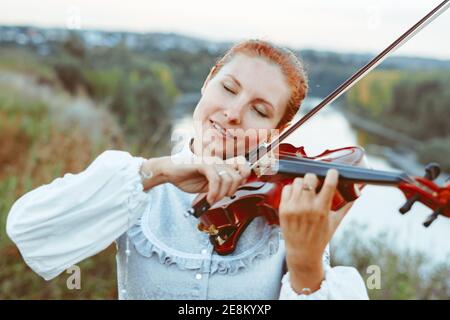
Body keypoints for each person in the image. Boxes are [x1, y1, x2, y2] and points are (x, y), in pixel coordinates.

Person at [6, 40, 369, 299]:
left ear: (277, 131)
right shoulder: (135, 184)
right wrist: (157, 173)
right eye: (228, 88)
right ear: (208, 80)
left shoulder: (286, 204)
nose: (233, 113)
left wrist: (307, 270)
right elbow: (29, 231)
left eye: (259, 111)